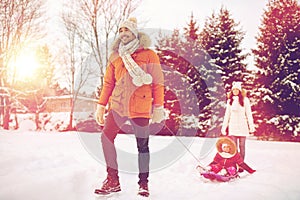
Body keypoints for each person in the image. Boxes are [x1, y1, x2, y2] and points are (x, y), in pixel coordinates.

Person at [94, 17, 164, 197]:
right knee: (106, 137)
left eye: (127, 30)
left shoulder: (148, 54)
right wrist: (101, 105)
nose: (123, 33)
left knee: (142, 146)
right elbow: (108, 83)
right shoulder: (115, 56)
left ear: (134, 32)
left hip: (140, 106)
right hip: (117, 105)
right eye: (120, 30)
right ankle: (112, 180)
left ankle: (143, 183)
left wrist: (158, 107)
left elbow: (157, 82)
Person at [221, 81, 255, 161]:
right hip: (233, 127)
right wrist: (224, 127)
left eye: (237, 90)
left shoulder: (245, 100)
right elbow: (227, 115)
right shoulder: (230, 101)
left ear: (239, 91)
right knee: (233, 147)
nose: (235, 91)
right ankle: (234, 163)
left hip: (243, 127)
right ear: (232, 91)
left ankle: (241, 163)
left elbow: (249, 114)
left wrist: (251, 126)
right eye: (234, 90)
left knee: (242, 146)